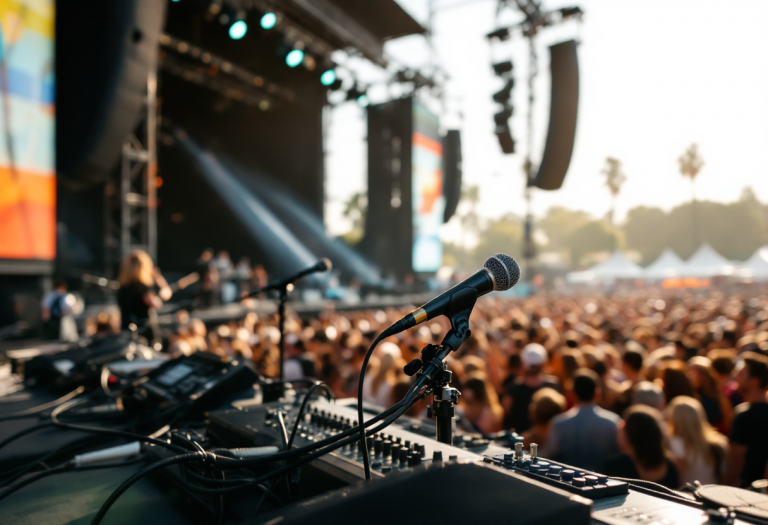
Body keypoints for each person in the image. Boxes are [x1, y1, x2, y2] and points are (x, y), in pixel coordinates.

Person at [544, 369, 621, 471]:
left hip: (568, 484)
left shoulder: (559, 423)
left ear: (572, 394)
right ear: (597, 394)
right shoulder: (613, 422)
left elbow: (549, 455)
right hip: (606, 484)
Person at [602, 405, 680, 489]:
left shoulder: (616, 465)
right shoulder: (670, 464)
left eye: (622, 428)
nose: (618, 431)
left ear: (629, 435)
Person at [727, 352, 768, 487]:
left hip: (745, 490)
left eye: (741, 374)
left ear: (755, 381)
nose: (735, 377)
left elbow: (736, 464)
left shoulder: (744, 415)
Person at [666, 396, 728, 485]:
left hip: (685, 495)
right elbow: (725, 479)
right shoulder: (720, 445)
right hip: (710, 494)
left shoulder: (674, 443)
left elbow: (677, 479)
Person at [504, 343, 560, 432]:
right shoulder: (553, 385)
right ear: (543, 363)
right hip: (547, 440)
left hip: (520, 441)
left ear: (523, 364)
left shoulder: (514, 387)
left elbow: (505, 412)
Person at [116, 250, 171, 332]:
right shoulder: (142, 288)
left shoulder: (122, 288)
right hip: (143, 332)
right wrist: (161, 282)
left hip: (126, 330)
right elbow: (157, 303)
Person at [688, 356, 733, 433]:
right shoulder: (688, 396)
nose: (693, 375)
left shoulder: (718, 398)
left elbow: (727, 424)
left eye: (697, 372)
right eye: (690, 371)